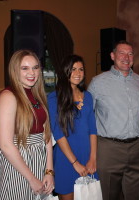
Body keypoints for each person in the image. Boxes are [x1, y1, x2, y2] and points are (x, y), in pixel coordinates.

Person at [0, 50, 54, 200]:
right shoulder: (8, 96)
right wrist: (31, 178)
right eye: (24, 68)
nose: (32, 72)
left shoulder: (37, 94)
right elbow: (6, 145)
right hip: (18, 163)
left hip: (39, 158)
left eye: (35, 67)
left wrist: (49, 171)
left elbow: (47, 135)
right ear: (14, 70)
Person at [88, 40, 139, 200]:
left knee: (136, 195)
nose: (126, 57)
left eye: (130, 53)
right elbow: (87, 117)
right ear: (113, 56)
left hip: (138, 148)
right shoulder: (98, 82)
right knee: (108, 195)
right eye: (122, 53)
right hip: (109, 149)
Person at [48, 55, 98, 200]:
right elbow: (58, 133)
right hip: (66, 158)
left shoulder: (87, 96)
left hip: (87, 156)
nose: (78, 73)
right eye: (73, 69)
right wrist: (75, 163)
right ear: (65, 71)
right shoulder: (54, 97)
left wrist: (93, 159)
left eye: (81, 69)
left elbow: (93, 130)